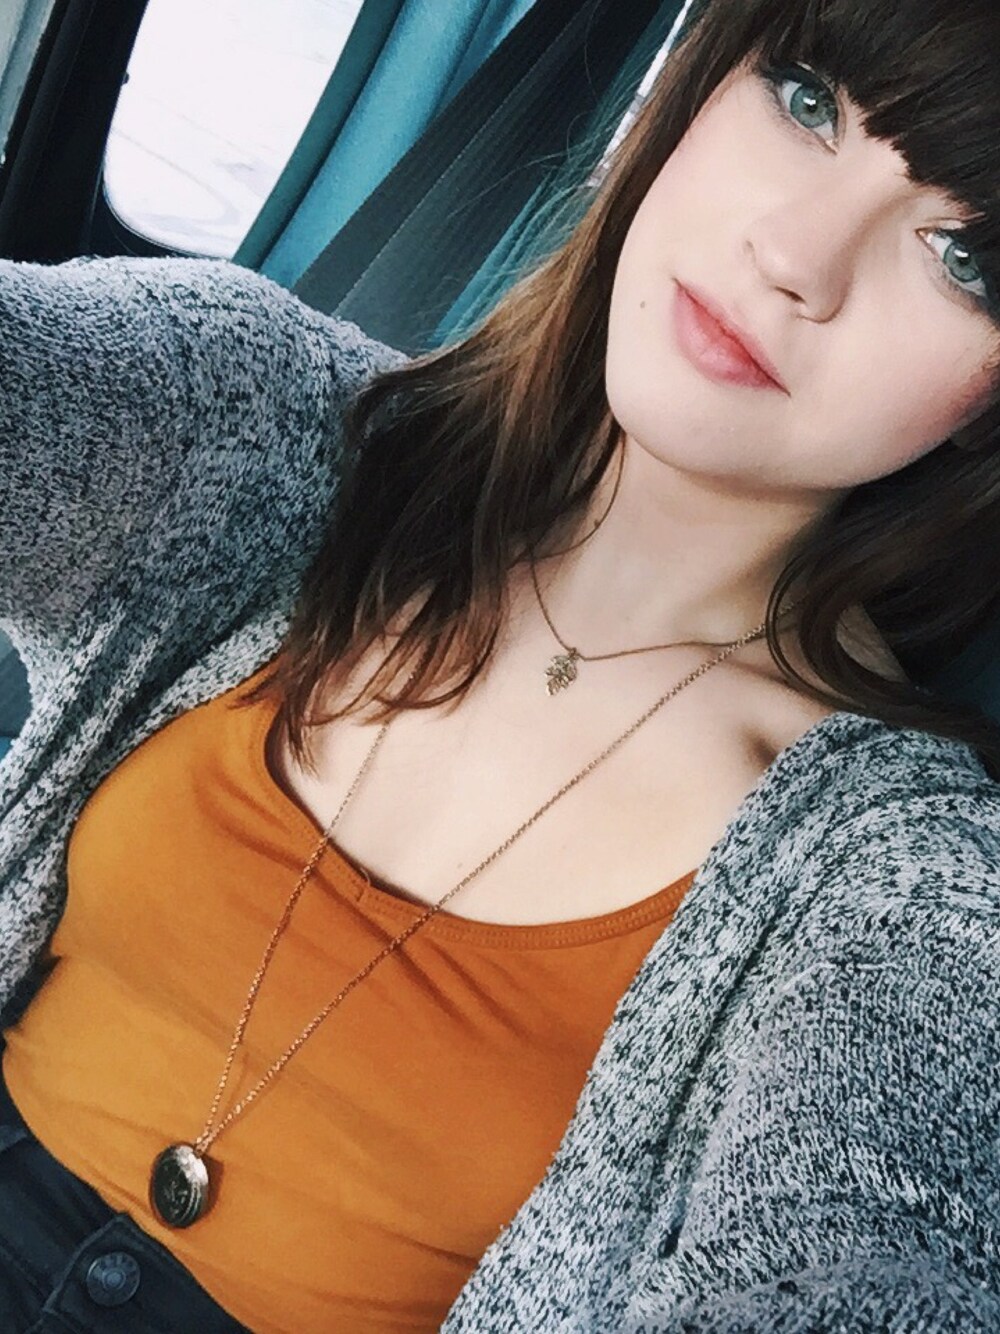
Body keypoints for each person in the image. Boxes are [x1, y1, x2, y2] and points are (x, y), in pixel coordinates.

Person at [1, 0, 999, 1328]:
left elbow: (866, 1266)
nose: (796, 256)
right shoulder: (266, 427)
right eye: (806, 99)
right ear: (691, 89)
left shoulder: (905, 889)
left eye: (965, 256)